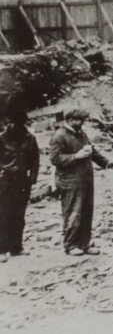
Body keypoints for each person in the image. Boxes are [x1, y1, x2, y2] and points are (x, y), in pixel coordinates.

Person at [49, 106, 113, 256]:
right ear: (71, 120)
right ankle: (70, 245)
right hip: (70, 181)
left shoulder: (81, 133)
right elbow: (54, 159)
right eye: (80, 120)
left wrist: (106, 162)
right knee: (73, 213)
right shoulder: (59, 136)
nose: (83, 123)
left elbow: (92, 151)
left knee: (86, 213)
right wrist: (75, 156)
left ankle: (85, 244)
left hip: (86, 180)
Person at [0, 107, 39, 260]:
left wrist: (32, 179)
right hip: (5, 182)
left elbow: (35, 159)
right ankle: (2, 249)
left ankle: (16, 247)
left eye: (22, 123)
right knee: (3, 215)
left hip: (23, 181)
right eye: (16, 123)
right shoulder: (2, 138)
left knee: (19, 215)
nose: (19, 126)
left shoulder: (29, 137)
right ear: (11, 123)